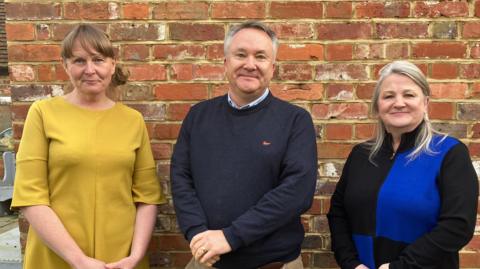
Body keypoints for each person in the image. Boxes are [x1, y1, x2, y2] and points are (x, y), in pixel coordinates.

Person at [11, 24, 164, 269]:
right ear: (65, 65)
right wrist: (78, 260)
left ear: (112, 65)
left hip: (120, 257)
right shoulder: (42, 113)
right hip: (56, 255)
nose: (90, 70)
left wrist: (134, 256)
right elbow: (30, 196)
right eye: (79, 61)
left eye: (98, 60)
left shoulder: (132, 120)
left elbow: (147, 196)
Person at [170, 21, 317, 269]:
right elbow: (181, 177)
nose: (250, 64)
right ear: (226, 62)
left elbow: (297, 192)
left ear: (272, 68)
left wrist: (231, 236)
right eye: (240, 55)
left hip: (273, 264)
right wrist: (197, 233)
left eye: (260, 56)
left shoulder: (295, 121)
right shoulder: (198, 116)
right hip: (207, 261)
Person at [327, 60, 478, 269]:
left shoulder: (449, 153)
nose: (398, 103)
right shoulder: (361, 155)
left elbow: (458, 226)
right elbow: (338, 212)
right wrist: (351, 263)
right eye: (389, 96)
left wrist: (398, 267)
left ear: (425, 103)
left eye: (409, 94)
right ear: (378, 106)